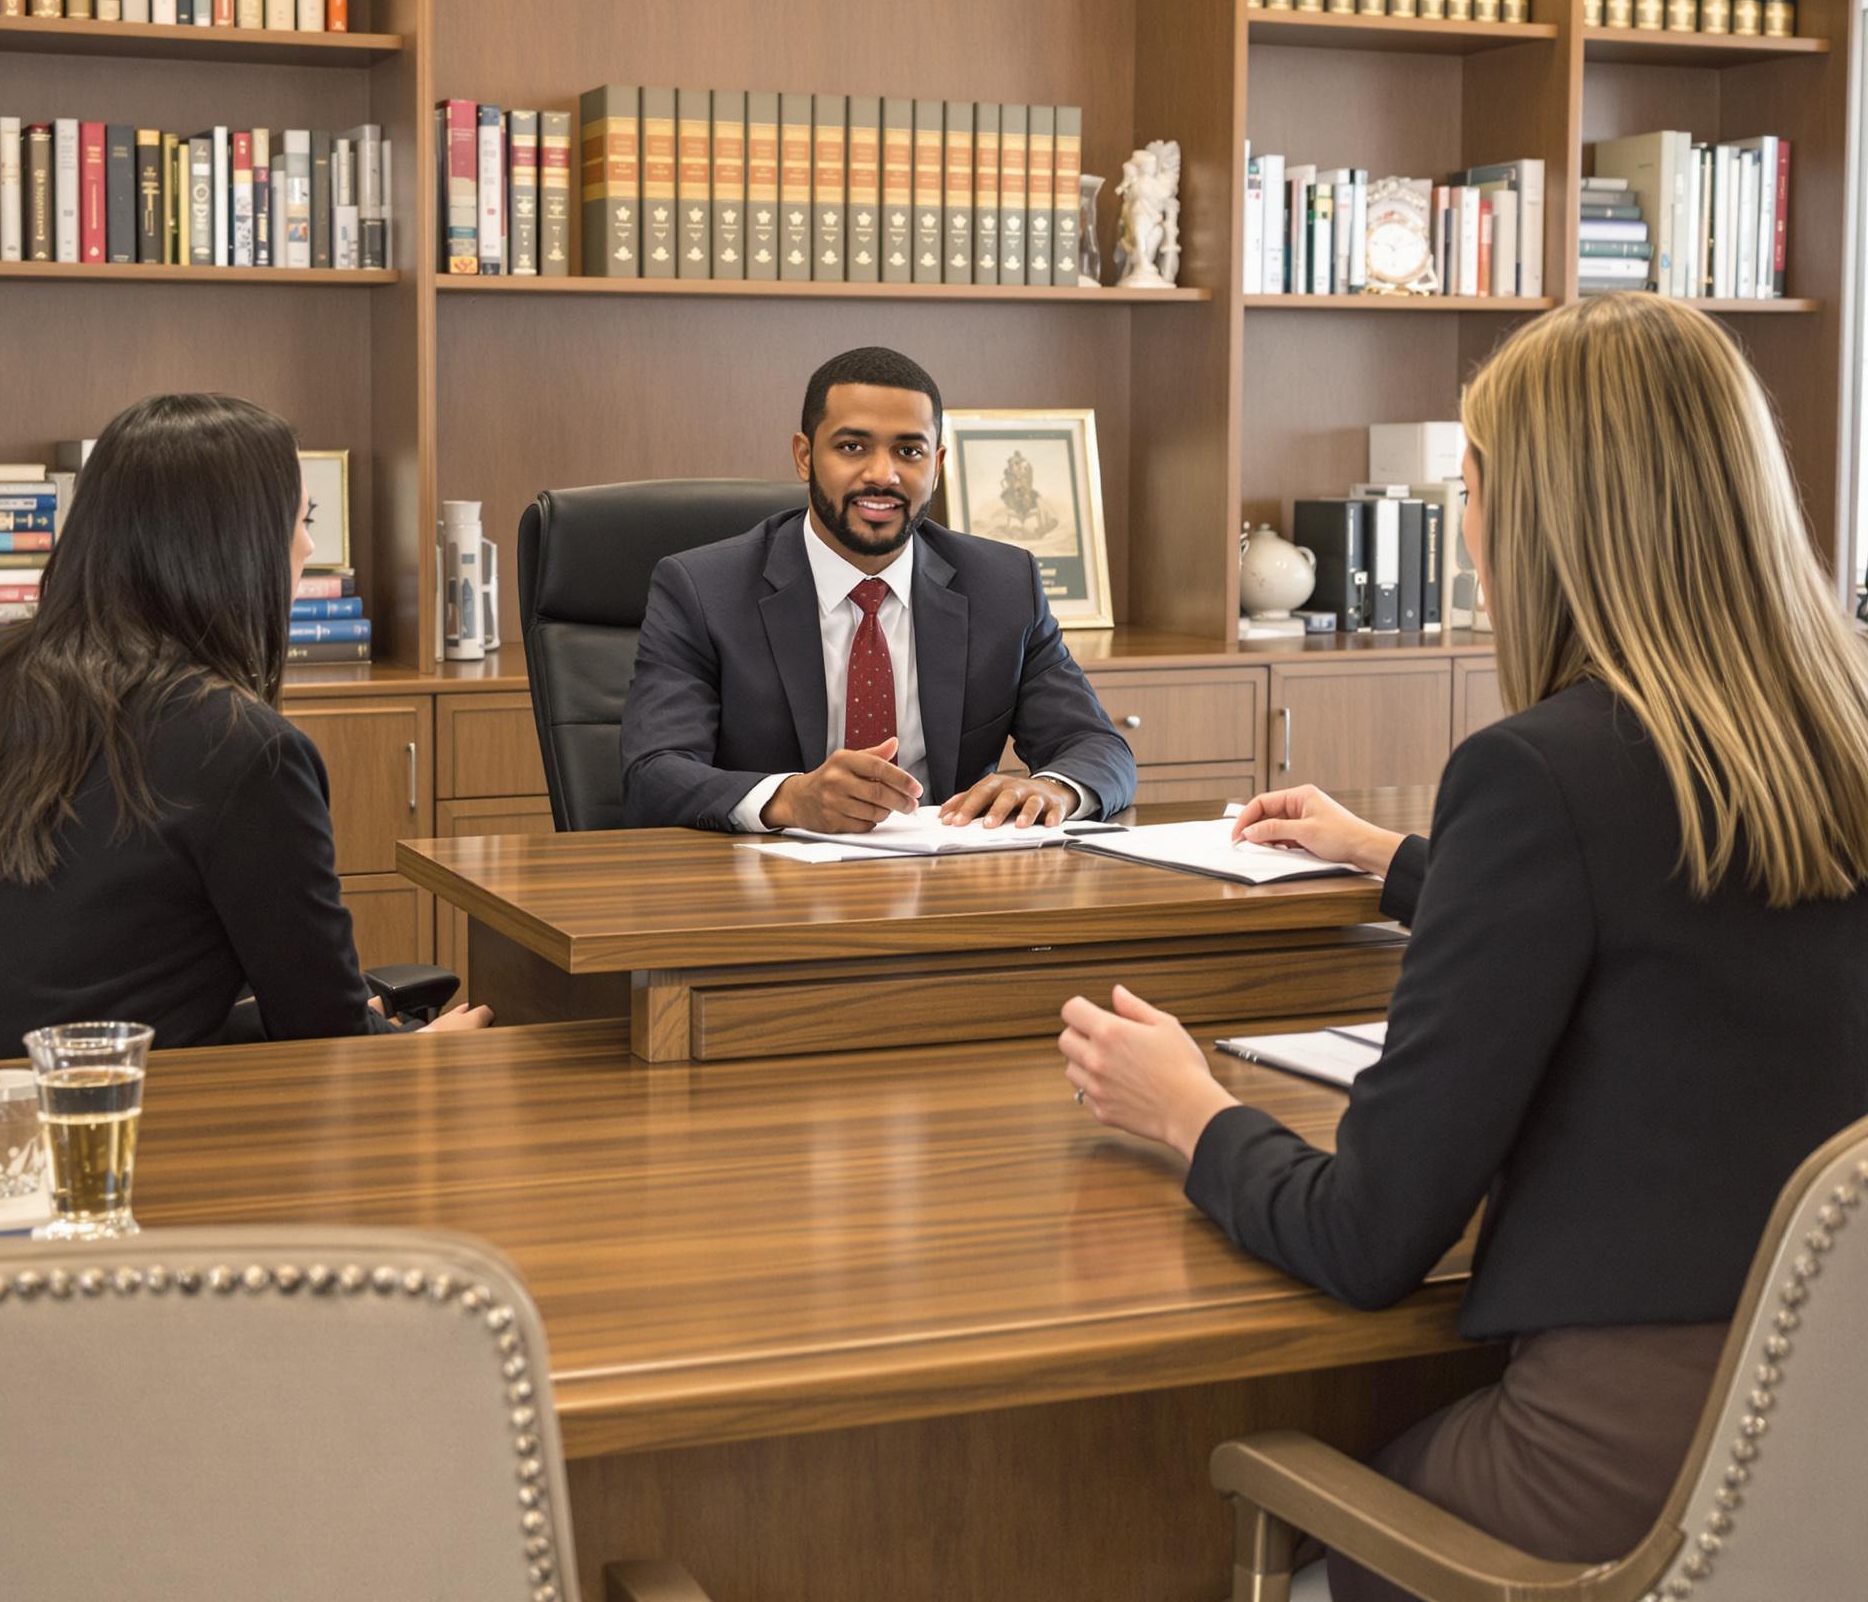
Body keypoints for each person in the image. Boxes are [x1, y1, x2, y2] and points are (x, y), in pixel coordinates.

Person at [1058, 295, 1868, 1598]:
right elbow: (1684, 913)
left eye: (1471, 490)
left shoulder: (1542, 777)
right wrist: (1397, 860)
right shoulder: (1831, 741)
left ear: (1544, 515)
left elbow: (1365, 1240)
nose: (1468, 532)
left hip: (1632, 1476)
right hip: (1839, 1467)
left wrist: (1187, 1109)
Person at [0, 393, 492, 1058]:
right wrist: (419, 1053)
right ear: (236, 546)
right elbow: (325, 1037)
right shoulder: (247, 751)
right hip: (130, 1133)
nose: (307, 545)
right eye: (299, 521)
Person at [621, 345, 1136, 833]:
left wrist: (1054, 789)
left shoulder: (1003, 585)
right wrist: (788, 799)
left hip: (947, 885)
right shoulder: (702, 589)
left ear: (935, 467)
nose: (882, 475)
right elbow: (654, 773)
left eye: (908, 451)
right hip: (763, 885)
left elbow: (1096, 747)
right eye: (852, 447)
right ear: (804, 456)